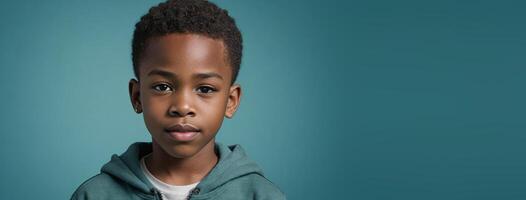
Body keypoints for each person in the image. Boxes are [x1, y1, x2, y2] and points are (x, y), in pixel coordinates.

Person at [70, 0, 286, 199]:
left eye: (205, 88)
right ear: (137, 97)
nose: (182, 107)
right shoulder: (94, 195)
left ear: (231, 101)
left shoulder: (260, 195)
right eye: (162, 87)